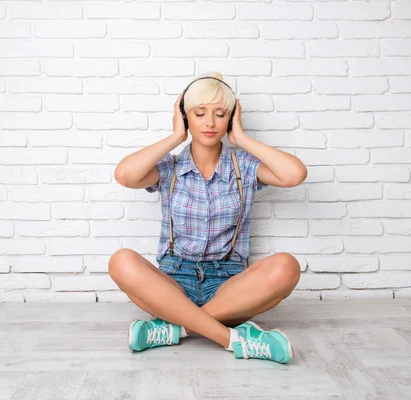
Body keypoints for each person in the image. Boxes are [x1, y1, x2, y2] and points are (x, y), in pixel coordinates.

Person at [110, 72, 307, 364]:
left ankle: (174, 328)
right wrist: (176, 136)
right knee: (121, 260)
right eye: (199, 113)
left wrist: (240, 138)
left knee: (286, 266)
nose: (210, 123)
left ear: (231, 117)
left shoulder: (245, 167)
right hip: (173, 284)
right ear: (185, 117)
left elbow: (295, 175)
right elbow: (124, 175)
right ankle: (235, 339)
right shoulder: (170, 167)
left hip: (229, 286)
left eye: (220, 114)